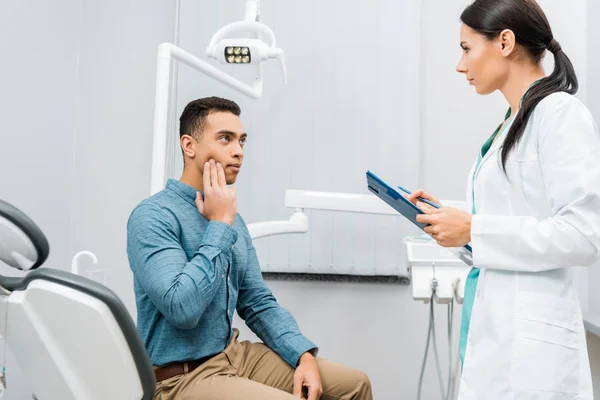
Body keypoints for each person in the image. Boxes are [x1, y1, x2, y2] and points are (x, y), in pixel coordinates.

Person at [407, 0, 600, 398]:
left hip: (532, 353)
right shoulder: (512, 122)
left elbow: (584, 234)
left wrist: (475, 228)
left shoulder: (559, 113)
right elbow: (518, 213)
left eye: (466, 48)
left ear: (506, 42)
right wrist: (452, 219)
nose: (460, 65)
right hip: (498, 331)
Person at [126, 96, 372, 400]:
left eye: (242, 140)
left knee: (355, 385)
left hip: (234, 356)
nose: (238, 151)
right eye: (225, 139)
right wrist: (220, 223)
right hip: (180, 378)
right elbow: (182, 309)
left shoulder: (232, 219)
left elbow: (257, 301)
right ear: (189, 146)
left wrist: (302, 355)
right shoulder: (153, 216)